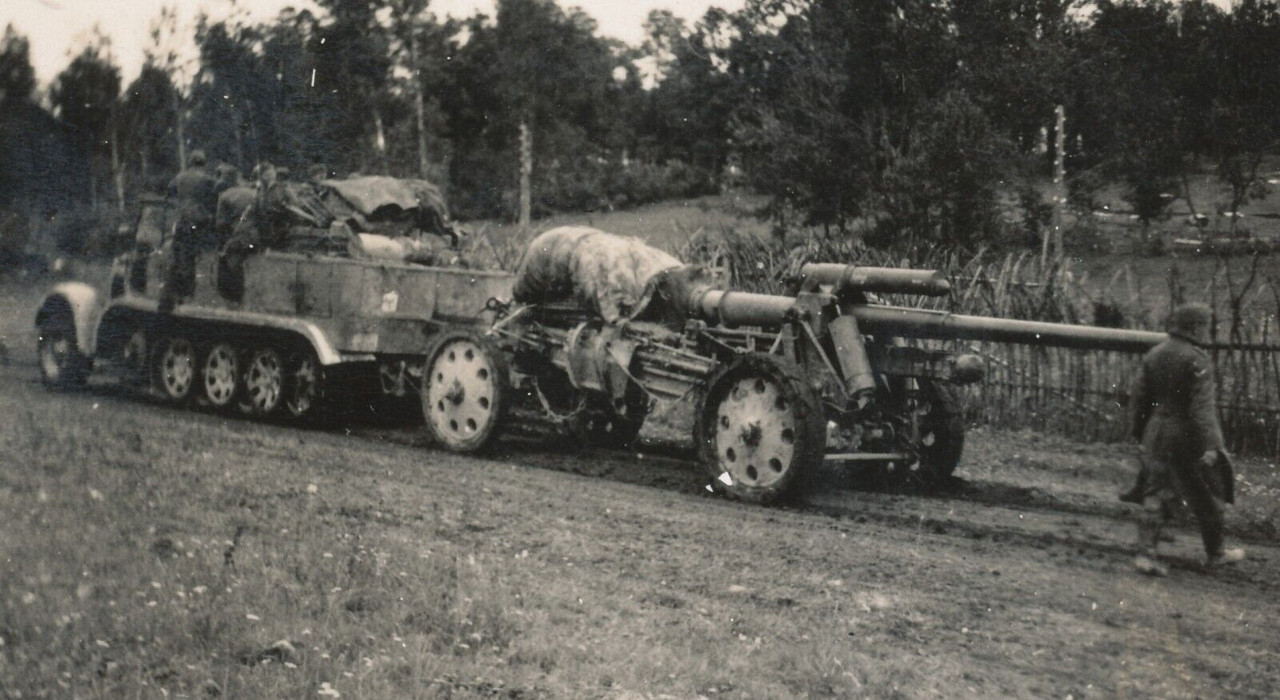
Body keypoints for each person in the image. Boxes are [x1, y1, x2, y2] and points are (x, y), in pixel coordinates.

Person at [1126, 302, 1244, 576]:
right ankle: (1216, 554)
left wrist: (1140, 433)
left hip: (1157, 431)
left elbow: (1139, 399)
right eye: (1205, 326)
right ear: (1195, 327)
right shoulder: (1197, 360)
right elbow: (1201, 409)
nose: (1207, 332)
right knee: (1210, 491)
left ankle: (1145, 554)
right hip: (1188, 435)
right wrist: (1212, 445)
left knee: (1155, 491)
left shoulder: (1154, 354)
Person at [160, 150, 219, 312]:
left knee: (178, 257)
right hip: (199, 223)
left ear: (190, 162)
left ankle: (173, 293)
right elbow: (218, 194)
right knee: (193, 258)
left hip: (182, 221)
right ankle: (188, 294)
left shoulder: (179, 177)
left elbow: (169, 191)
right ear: (203, 164)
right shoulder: (207, 179)